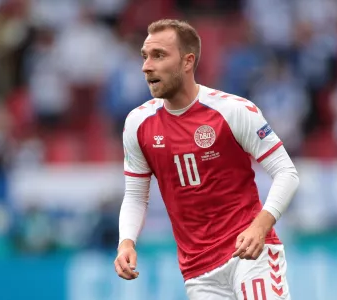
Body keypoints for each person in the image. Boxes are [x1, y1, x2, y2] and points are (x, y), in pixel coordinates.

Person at [114, 19, 299, 300]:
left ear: (187, 62)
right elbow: (136, 195)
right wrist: (126, 242)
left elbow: (287, 172)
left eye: (159, 55)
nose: (146, 66)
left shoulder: (233, 111)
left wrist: (260, 226)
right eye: (145, 56)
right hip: (198, 273)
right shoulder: (138, 124)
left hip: (250, 255)